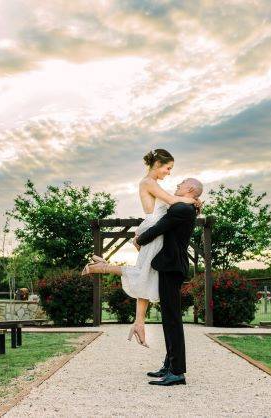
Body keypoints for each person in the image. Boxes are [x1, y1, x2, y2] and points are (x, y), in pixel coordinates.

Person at [81, 149, 200, 348]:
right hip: (153, 227)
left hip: (155, 228)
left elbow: (172, 202)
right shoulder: (148, 182)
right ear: (158, 164)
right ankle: (101, 268)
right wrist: (193, 200)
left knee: (146, 275)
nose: (169, 172)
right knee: (144, 273)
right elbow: (172, 202)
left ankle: (139, 322)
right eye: (168, 168)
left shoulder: (154, 184)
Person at [136, 177, 203, 386]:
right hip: (171, 266)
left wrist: (139, 239)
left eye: (182, 183)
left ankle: (177, 372)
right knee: (169, 318)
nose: (177, 185)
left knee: (172, 319)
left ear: (190, 188)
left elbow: (159, 228)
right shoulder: (184, 207)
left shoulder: (182, 209)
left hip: (172, 267)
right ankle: (169, 365)